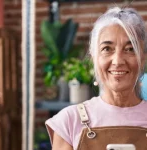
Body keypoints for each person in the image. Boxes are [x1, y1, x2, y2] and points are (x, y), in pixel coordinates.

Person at [45, 7, 147, 150]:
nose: (118, 61)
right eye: (107, 49)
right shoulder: (69, 121)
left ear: (142, 59)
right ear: (94, 58)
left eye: (130, 49)